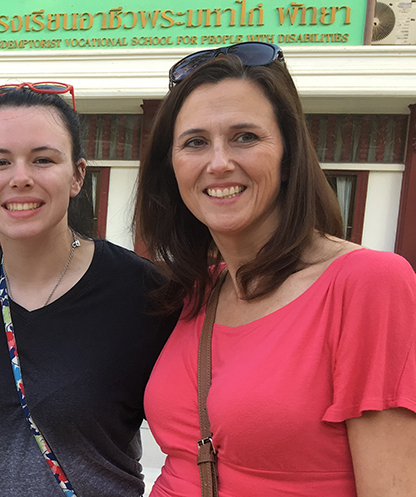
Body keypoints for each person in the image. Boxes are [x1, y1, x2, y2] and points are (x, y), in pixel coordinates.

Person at [135, 42, 416, 496]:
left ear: (288, 156)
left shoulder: (367, 283)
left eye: (245, 137)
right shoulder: (200, 291)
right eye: (195, 142)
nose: (219, 163)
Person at [0, 83, 176, 496]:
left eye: (43, 160)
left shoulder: (139, 290)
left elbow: (193, 433)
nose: (20, 178)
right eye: (0, 162)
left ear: (77, 175)